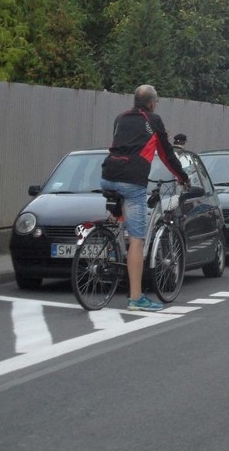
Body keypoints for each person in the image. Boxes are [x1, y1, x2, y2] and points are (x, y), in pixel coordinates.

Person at [100, 85, 190, 311]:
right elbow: (166, 153)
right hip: (132, 181)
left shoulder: (120, 118)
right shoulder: (154, 120)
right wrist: (182, 177)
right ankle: (136, 297)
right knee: (138, 239)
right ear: (152, 104)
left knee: (120, 214)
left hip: (107, 175)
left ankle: (111, 234)